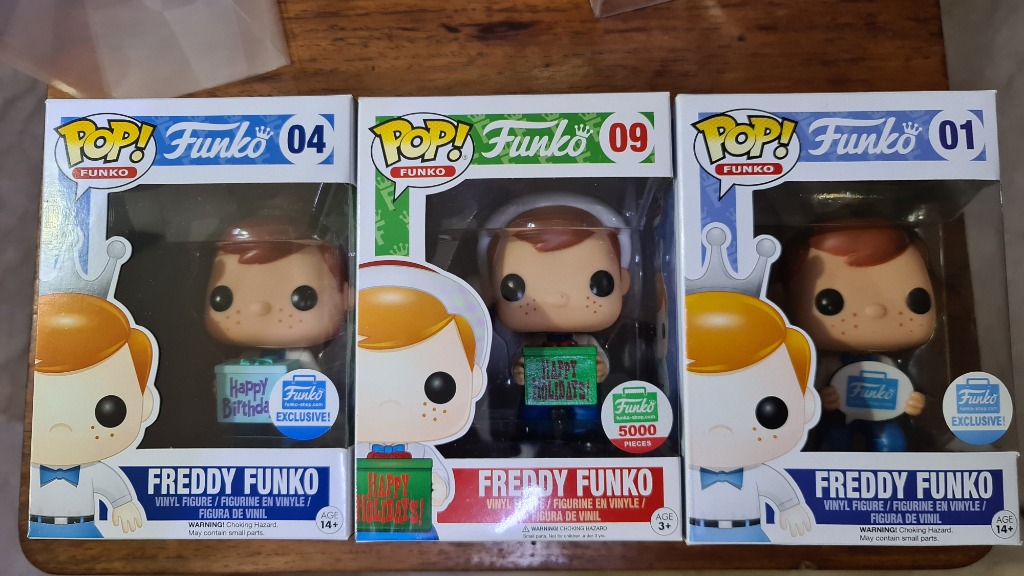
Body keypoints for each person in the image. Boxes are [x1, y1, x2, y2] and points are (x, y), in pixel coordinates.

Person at [355, 261, 488, 540]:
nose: (391, 404)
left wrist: (437, 488)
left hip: (416, 528)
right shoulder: (356, 452)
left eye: (437, 387)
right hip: (364, 526)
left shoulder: (422, 453)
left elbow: (440, 488)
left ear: (473, 380)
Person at [484, 199, 630, 439]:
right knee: (534, 414)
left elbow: (600, 362)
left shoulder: (585, 340)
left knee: (586, 413)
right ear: (490, 289)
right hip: (540, 390)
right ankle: (534, 434)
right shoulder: (532, 343)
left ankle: (586, 434)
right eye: (515, 286)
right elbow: (519, 363)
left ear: (623, 282)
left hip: (580, 389)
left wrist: (600, 369)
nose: (558, 298)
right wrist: (519, 371)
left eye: (597, 283)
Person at [785, 224, 933, 451]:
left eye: (916, 300)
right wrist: (822, 398)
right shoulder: (828, 364)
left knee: (892, 440)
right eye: (830, 303)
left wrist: (912, 402)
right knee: (835, 441)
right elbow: (808, 395)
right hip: (836, 419)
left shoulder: (886, 363)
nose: (875, 311)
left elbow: (902, 390)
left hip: (881, 418)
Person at [685, 290, 817, 542]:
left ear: (806, 405)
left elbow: (779, 490)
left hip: (751, 534)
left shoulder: (757, 473)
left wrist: (791, 508)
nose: (722, 429)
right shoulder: (684, 474)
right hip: (694, 531)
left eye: (769, 412)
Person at [30, 293, 157, 538]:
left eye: (108, 410)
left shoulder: (92, 472)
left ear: (144, 403)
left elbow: (114, 489)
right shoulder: (25, 469)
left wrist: (123, 505)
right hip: (35, 528)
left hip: (85, 530)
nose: (62, 427)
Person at [205, 217, 348, 370]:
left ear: (346, 296)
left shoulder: (300, 358)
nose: (259, 307)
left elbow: (315, 380)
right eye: (223, 299)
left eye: (302, 298)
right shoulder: (246, 359)